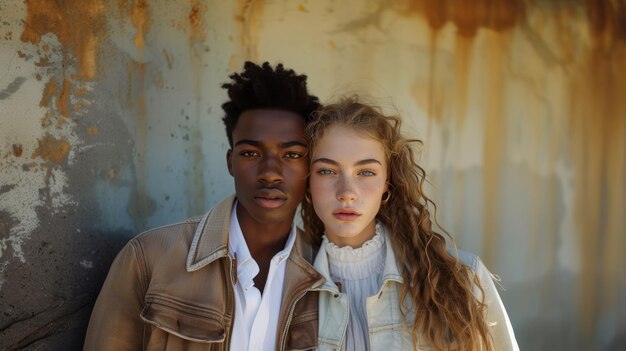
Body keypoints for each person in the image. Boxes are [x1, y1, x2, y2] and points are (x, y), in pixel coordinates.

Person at [84, 62, 324, 351]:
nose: (270, 172)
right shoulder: (148, 259)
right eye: (250, 152)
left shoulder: (327, 274)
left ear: (311, 166)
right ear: (230, 162)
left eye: (292, 154)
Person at [301, 97, 519, 351]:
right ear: (307, 182)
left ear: (387, 184)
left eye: (366, 172)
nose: (347, 192)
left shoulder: (459, 279)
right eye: (327, 171)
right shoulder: (287, 289)